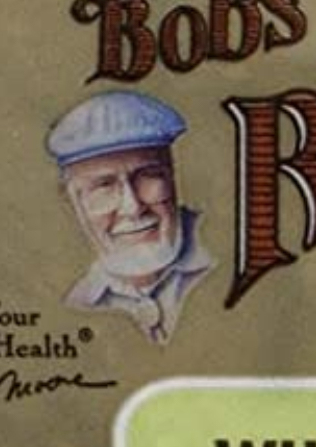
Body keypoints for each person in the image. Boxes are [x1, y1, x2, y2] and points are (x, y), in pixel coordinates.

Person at [45, 90, 213, 343]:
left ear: (172, 177)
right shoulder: (78, 305)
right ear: (73, 201)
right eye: (104, 185)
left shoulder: (227, 258)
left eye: (147, 176)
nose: (132, 207)